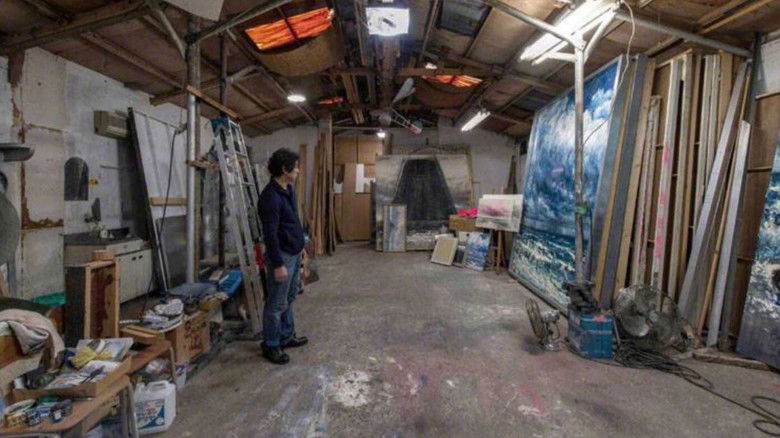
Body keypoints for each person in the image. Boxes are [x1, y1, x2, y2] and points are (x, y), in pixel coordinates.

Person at [257, 148, 308, 364]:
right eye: (295, 168)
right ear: (285, 170)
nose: (298, 171)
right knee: (276, 303)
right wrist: (278, 264)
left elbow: (294, 221)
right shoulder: (270, 198)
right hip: (282, 256)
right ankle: (271, 345)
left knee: (289, 297)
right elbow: (270, 235)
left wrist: (302, 247)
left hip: (294, 252)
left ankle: (286, 336)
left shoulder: (288, 189)